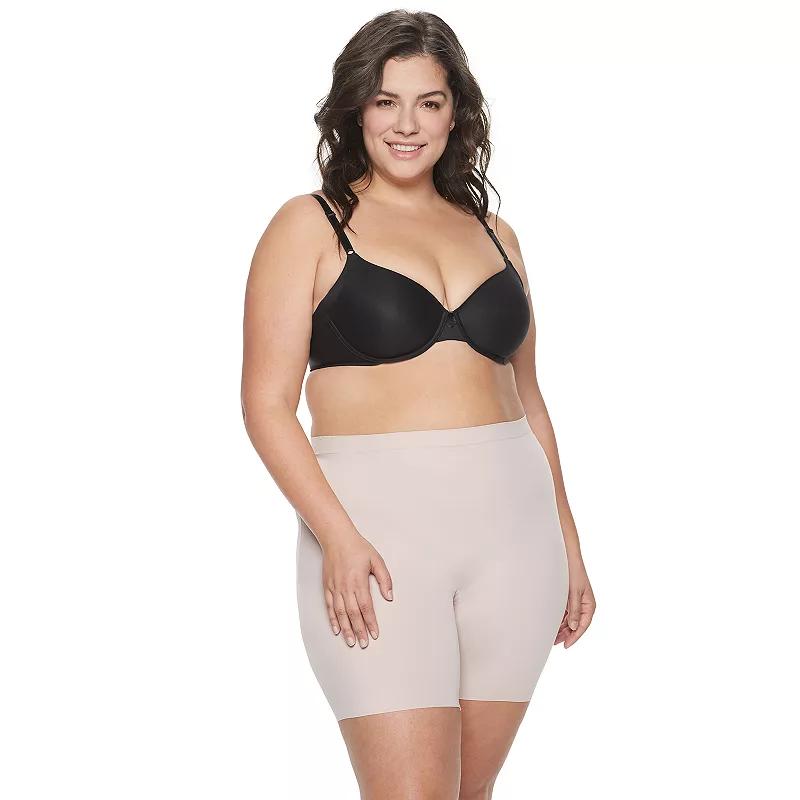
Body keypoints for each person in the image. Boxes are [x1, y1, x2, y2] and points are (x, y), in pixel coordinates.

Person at [241, 10, 595, 799]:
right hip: (378, 545)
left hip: (516, 541)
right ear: (355, 108)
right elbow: (265, 405)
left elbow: (530, 400)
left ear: (455, 113)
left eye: (429, 103)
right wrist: (336, 538)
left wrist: (569, 544)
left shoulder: (495, 233)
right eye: (386, 101)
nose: (407, 125)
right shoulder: (310, 225)